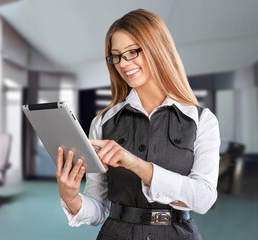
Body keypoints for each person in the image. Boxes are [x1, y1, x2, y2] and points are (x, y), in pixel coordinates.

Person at [56, 8, 220, 240]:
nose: (123, 64)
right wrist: (71, 197)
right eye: (116, 56)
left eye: (132, 52)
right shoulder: (103, 122)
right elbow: (98, 210)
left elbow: (203, 199)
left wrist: (136, 164)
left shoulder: (201, 120)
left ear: (157, 48)